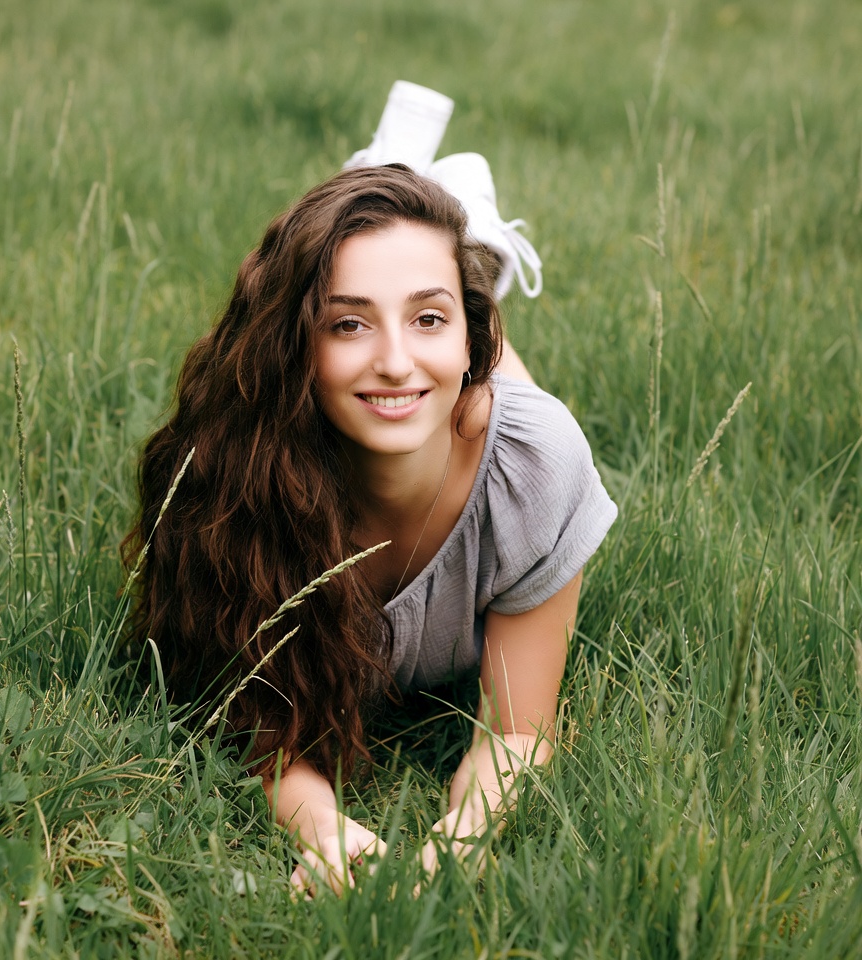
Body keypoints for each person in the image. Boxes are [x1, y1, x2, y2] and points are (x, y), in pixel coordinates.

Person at [123, 163, 617, 896]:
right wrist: (323, 831)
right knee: (416, 368)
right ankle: (417, 209)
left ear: (466, 335)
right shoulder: (236, 483)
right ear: (295, 345)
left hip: (488, 416)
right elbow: (256, 725)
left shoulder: (535, 469)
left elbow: (517, 732)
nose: (390, 361)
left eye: (429, 317)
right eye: (348, 323)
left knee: (497, 385)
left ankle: (466, 239)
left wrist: (458, 841)